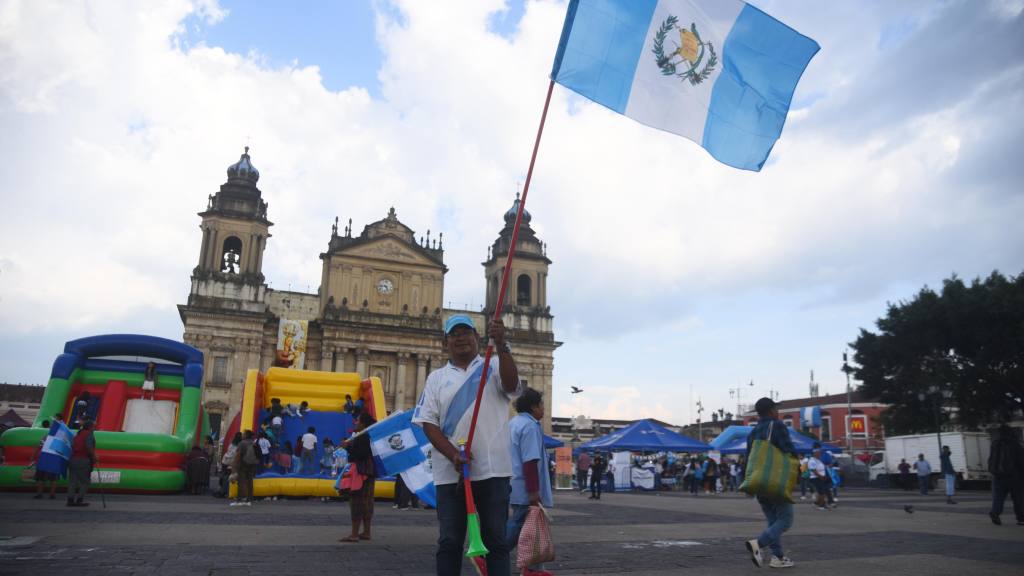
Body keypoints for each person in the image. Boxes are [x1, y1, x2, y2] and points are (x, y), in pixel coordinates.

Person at [412, 314, 520, 576]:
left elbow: (511, 385)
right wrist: (453, 455)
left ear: (477, 338)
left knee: (496, 541)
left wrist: (502, 344)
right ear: (446, 342)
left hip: (493, 471)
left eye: (465, 332)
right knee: (449, 541)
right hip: (451, 474)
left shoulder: (494, 365)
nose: (460, 338)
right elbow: (428, 423)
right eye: (454, 334)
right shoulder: (436, 378)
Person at [745, 397, 798, 569]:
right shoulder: (777, 426)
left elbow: (749, 459)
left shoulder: (752, 432)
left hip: (759, 481)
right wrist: (797, 471)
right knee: (785, 520)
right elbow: (789, 450)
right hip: (775, 481)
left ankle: (778, 557)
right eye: (776, 409)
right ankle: (757, 544)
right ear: (771, 410)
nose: (778, 412)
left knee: (773, 521)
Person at [507, 387, 553, 576]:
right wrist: (533, 492)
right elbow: (530, 460)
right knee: (519, 524)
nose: (543, 408)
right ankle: (490, 555)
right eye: (541, 404)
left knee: (531, 526)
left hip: (513, 483)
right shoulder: (530, 426)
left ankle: (534, 568)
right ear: (534, 407)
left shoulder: (513, 423)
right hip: (525, 487)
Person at [339, 412, 377, 542]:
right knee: (367, 502)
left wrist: (347, 447)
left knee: (357, 502)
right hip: (368, 472)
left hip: (360, 473)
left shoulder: (362, 437)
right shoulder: (369, 435)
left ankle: (354, 534)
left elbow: (360, 455)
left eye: (358, 420)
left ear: (363, 424)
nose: (355, 422)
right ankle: (366, 532)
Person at [988, 424, 1024, 525]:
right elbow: (1021, 461)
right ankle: (1021, 518)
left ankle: (995, 512)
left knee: (998, 497)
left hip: (998, 475)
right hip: (1014, 477)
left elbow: (991, 459)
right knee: (1018, 498)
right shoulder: (1015, 444)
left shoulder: (995, 444)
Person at [67, 419, 97, 507]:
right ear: (90, 427)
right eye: (93, 427)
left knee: (73, 481)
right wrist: (94, 456)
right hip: (83, 460)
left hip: (73, 459)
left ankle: (70, 499)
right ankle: (79, 499)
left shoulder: (78, 434)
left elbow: (72, 445)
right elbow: (88, 447)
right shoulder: (89, 434)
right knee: (85, 481)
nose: (94, 428)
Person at [31, 419, 58, 499]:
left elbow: (39, 447)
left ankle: (40, 493)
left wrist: (33, 456)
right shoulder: (59, 438)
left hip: (43, 459)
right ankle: (52, 494)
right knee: (53, 479)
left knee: (41, 478)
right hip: (53, 460)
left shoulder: (46, 437)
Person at [231, 430, 258, 506]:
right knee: (250, 481)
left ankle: (240, 498)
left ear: (246, 435)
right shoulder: (254, 443)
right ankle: (249, 498)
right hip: (252, 464)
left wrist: (234, 465)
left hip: (243, 464)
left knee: (241, 481)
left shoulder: (242, 443)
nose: (242, 435)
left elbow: (238, 455)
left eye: (243, 434)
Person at [219, 432, 241, 497]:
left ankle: (222, 490)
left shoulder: (231, 444)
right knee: (231, 477)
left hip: (225, 461)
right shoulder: (240, 446)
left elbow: (228, 452)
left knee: (224, 476)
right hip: (233, 463)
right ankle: (228, 491)